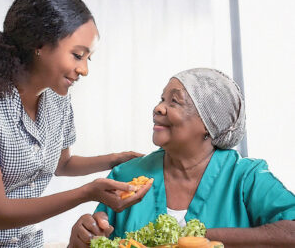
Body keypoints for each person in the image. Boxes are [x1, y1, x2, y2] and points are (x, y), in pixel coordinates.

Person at [0, 0, 152, 247]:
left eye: (89, 58)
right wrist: (88, 192)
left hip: (23, 240)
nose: (84, 70)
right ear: (39, 44)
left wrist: (118, 160)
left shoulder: (57, 99)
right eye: (78, 55)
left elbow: (61, 164)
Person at [69, 68, 295, 248]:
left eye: (174, 102)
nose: (158, 108)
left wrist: (199, 238)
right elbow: (98, 236)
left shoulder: (246, 177)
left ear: (209, 124)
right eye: (161, 99)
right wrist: (82, 239)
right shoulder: (126, 175)